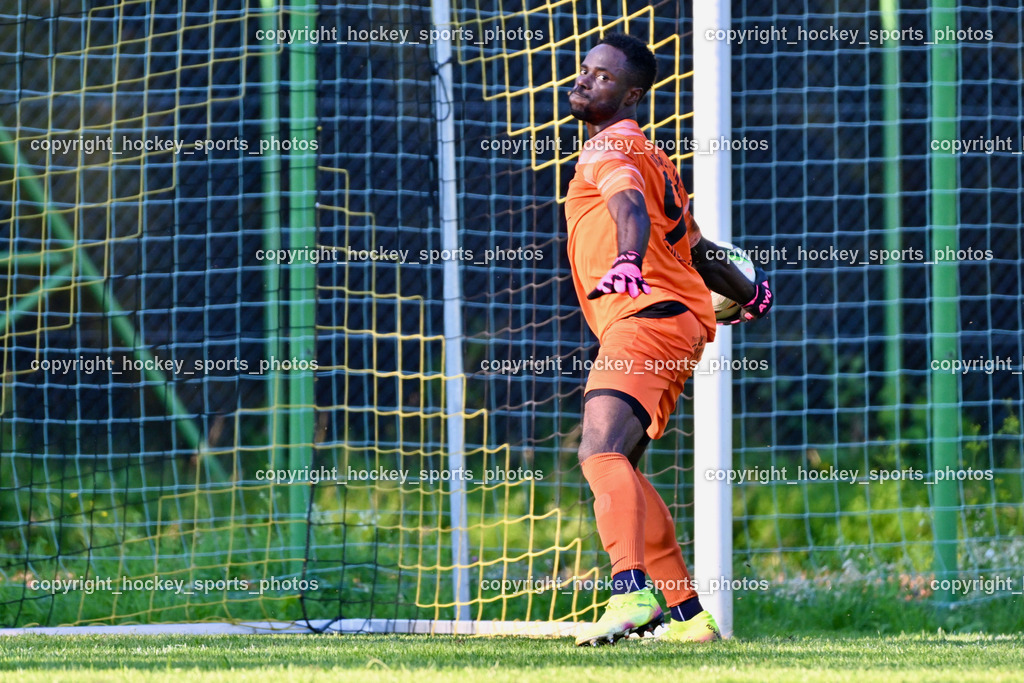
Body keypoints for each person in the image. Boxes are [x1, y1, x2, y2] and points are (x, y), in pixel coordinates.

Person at [565, 32, 773, 646]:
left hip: (646, 316)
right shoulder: (658, 159)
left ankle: (631, 593)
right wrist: (748, 289)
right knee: (620, 463)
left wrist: (628, 259)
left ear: (631, 95)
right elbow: (698, 247)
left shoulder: (610, 150)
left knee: (598, 451)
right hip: (673, 318)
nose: (581, 81)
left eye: (601, 77)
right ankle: (688, 617)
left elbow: (626, 205)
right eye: (583, 70)